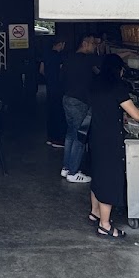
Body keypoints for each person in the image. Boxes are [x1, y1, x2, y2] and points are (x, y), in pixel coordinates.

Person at [86, 54, 139, 240]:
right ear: (118, 70)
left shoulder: (95, 84)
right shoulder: (117, 87)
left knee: (98, 173)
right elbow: (137, 115)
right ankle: (105, 225)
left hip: (95, 135)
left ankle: (95, 212)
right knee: (109, 179)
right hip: (110, 139)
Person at [61, 36, 100, 183]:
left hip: (67, 98)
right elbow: (108, 60)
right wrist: (128, 53)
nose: (94, 46)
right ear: (84, 44)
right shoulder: (86, 59)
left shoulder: (68, 58)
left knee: (71, 134)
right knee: (80, 137)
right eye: (93, 44)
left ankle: (66, 167)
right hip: (80, 101)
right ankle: (73, 172)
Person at [41, 39, 67, 148]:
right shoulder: (60, 57)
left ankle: (50, 137)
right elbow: (62, 71)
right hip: (58, 87)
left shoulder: (45, 55)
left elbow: (41, 70)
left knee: (50, 112)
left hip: (49, 86)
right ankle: (58, 139)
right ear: (60, 44)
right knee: (59, 112)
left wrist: (49, 78)